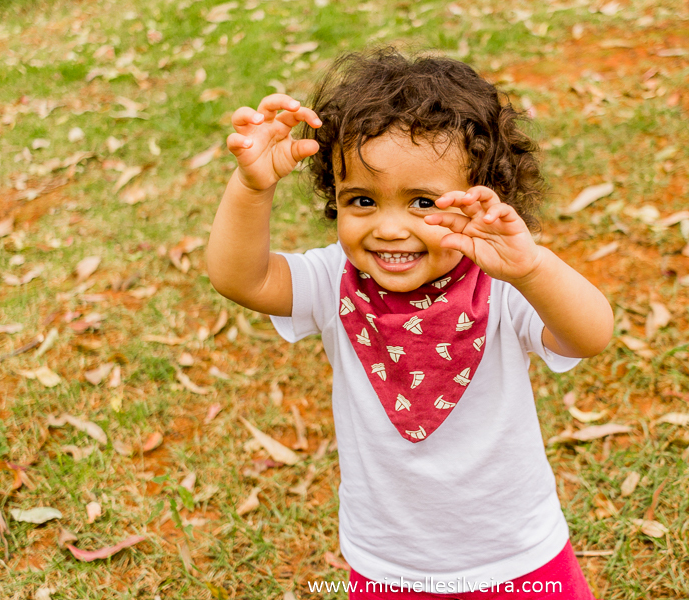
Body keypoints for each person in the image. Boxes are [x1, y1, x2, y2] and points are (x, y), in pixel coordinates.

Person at [207, 48, 614, 599]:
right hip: (388, 566)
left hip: (518, 556)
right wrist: (253, 188)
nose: (390, 228)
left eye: (422, 202)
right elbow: (241, 279)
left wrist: (533, 268)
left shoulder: (500, 283)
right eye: (362, 200)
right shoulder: (334, 281)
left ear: (481, 197)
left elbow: (590, 335)